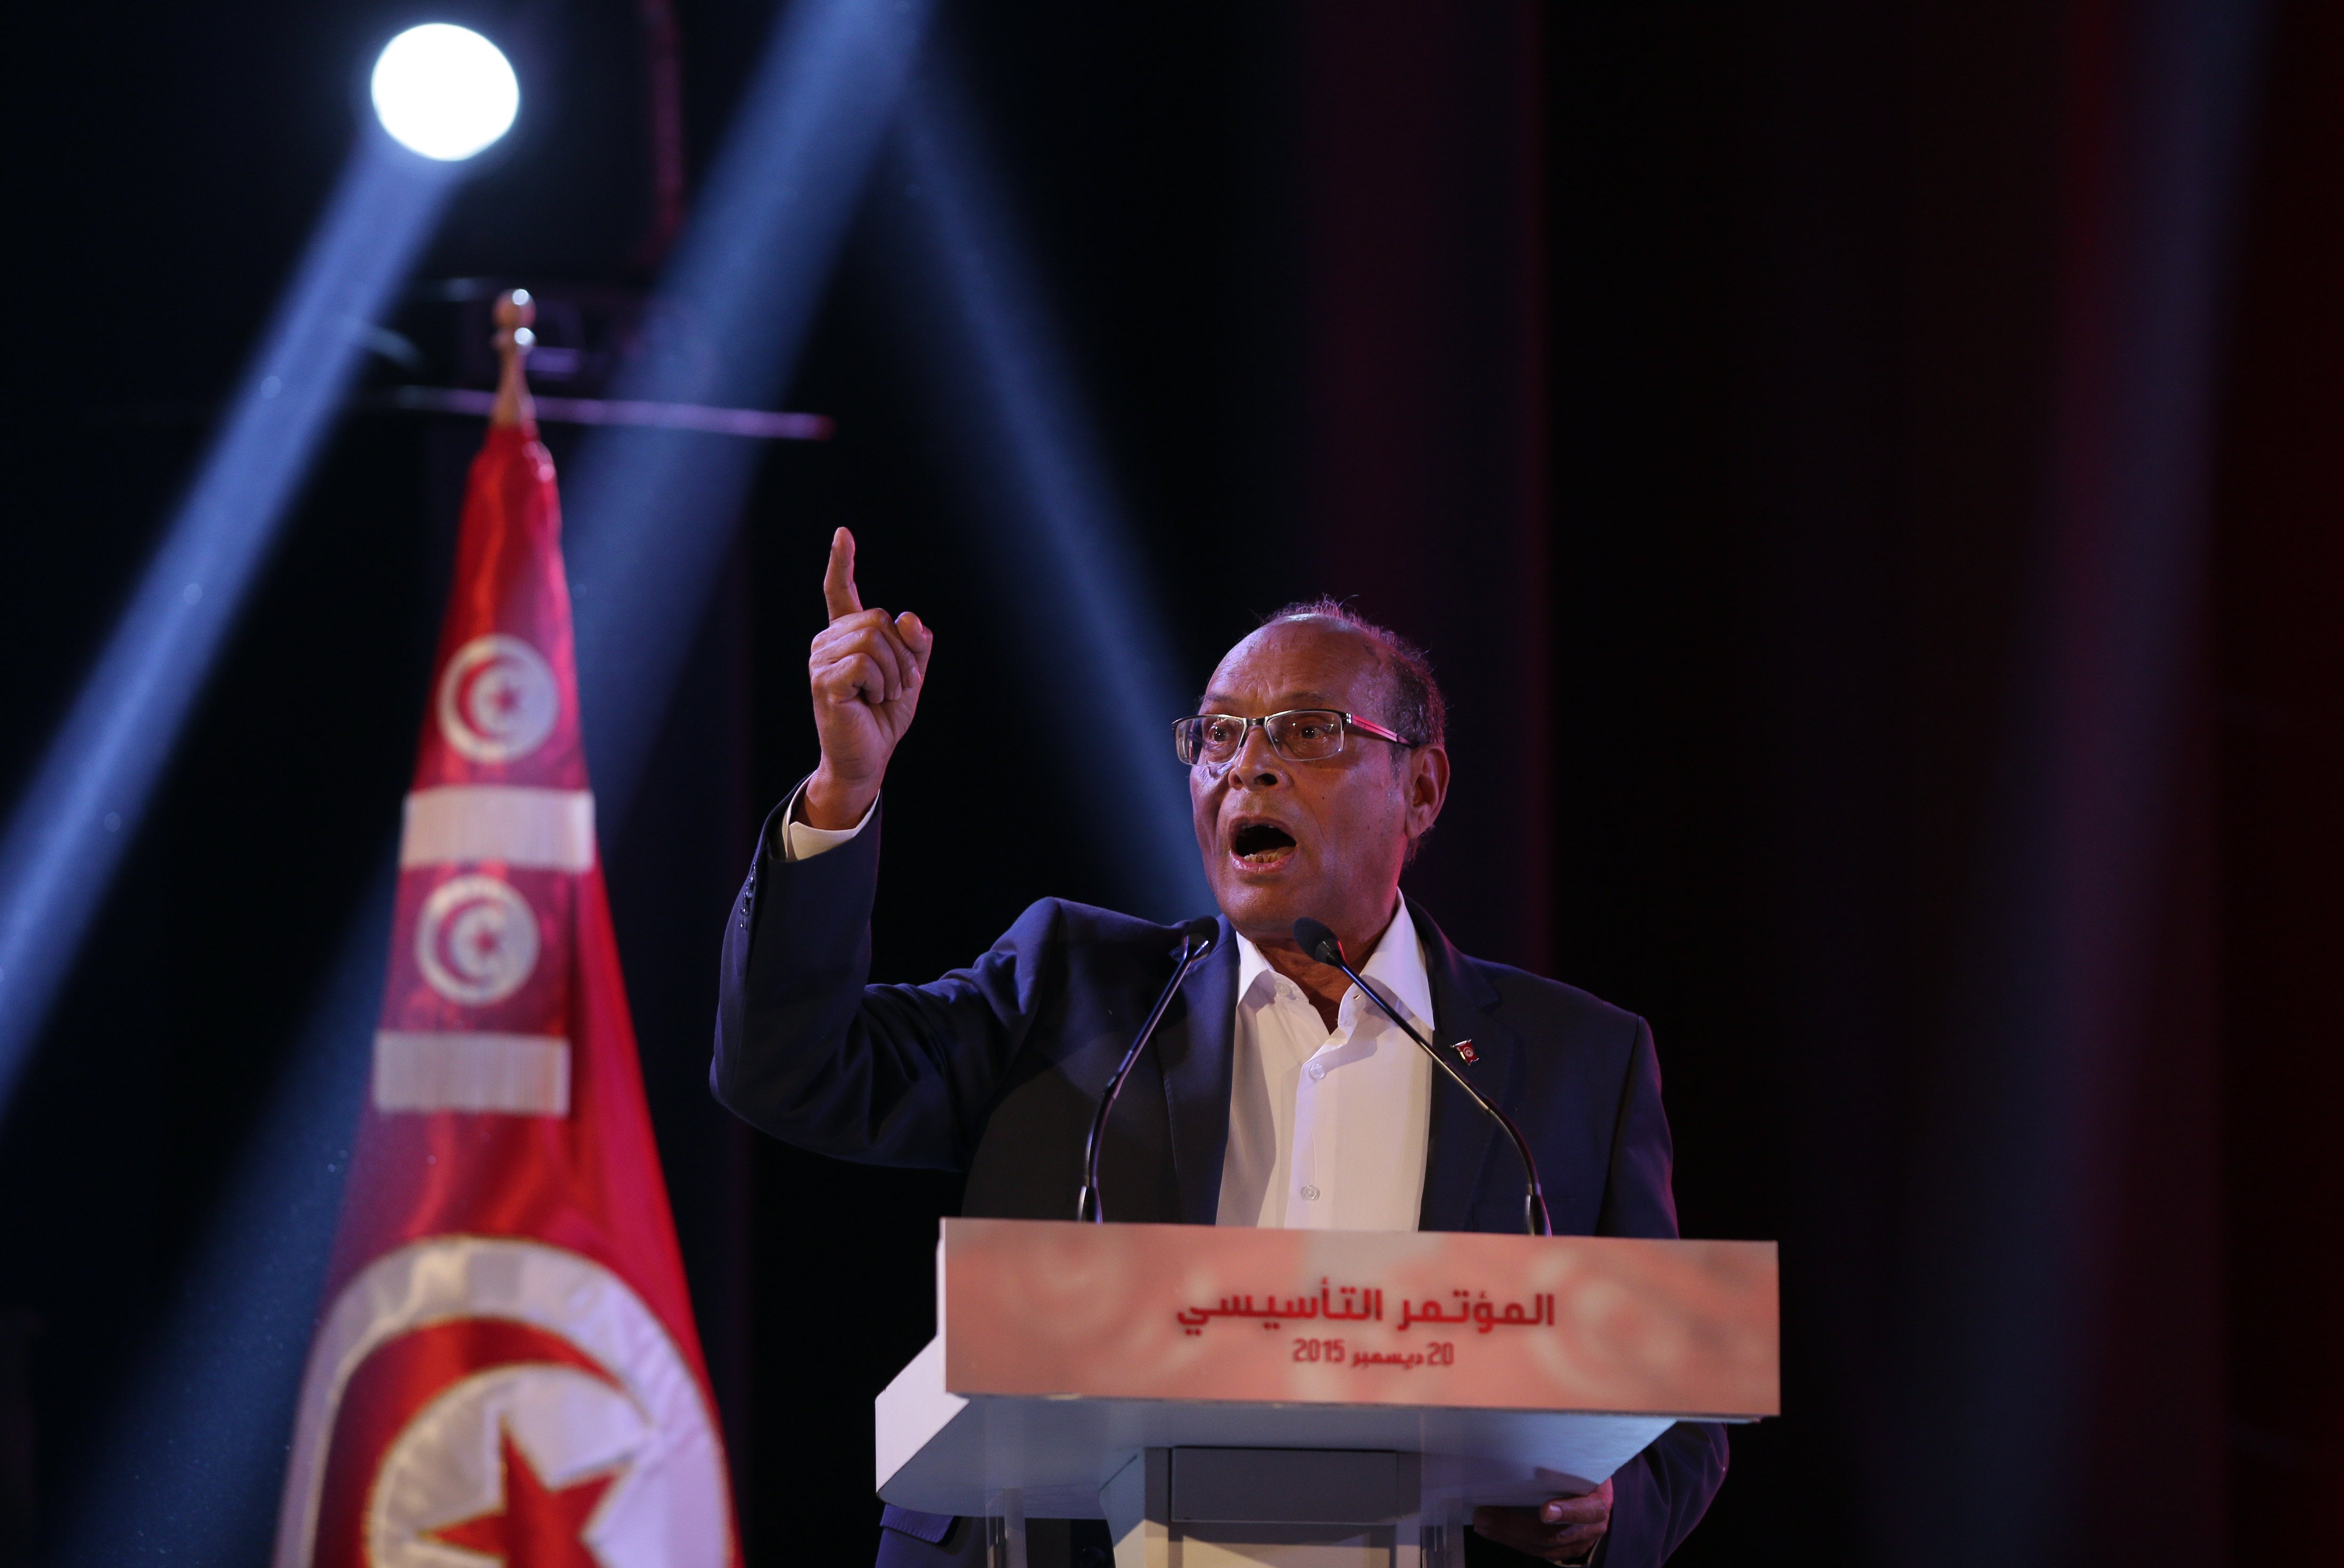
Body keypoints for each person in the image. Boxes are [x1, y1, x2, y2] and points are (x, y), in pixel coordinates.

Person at [711, 529, 1727, 1566]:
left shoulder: (1571, 1066)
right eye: (1220, 734)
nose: (1248, 766)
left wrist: (1604, 1510)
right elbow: (792, 1069)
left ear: (1421, 792)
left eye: (1307, 731)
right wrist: (843, 789)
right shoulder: (1071, 990)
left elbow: (1681, 1406)